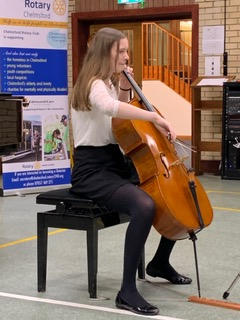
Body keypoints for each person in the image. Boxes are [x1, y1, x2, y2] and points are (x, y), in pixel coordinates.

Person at [70, 27, 191, 316]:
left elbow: (118, 116)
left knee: (173, 194)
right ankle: (126, 290)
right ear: (105, 52)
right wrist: (154, 116)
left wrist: (125, 85)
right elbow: (110, 108)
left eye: (127, 51)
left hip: (114, 162)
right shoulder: (91, 83)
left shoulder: (109, 83)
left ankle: (159, 262)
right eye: (121, 51)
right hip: (91, 169)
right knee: (144, 204)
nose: (126, 56)